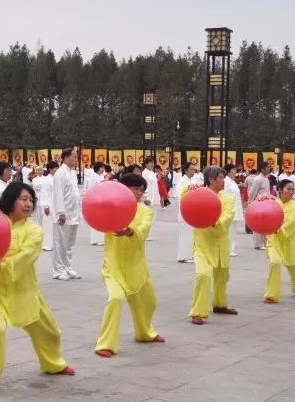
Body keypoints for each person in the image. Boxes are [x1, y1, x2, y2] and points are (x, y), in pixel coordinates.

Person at [0, 181, 73, 391]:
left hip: (25, 290)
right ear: (11, 200)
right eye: (23, 199)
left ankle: (53, 363)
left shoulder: (35, 230)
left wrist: (1, 265)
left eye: (31, 200)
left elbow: (27, 255)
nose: (29, 204)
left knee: (50, 331)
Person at [94, 173, 163, 356]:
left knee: (149, 301)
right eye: (135, 188)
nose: (139, 193)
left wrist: (130, 232)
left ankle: (145, 332)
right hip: (114, 265)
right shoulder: (112, 208)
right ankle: (105, 345)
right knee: (116, 299)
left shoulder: (145, 211)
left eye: (141, 190)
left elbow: (144, 230)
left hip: (136, 266)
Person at [188, 167, 238, 324]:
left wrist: (216, 222)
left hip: (221, 243)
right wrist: (188, 189)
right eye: (221, 178)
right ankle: (198, 312)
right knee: (203, 275)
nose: (224, 181)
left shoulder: (228, 198)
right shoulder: (198, 194)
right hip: (203, 244)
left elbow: (229, 215)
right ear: (211, 179)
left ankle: (220, 304)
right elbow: (185, 201)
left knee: (222, 276)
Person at [263, 179, 295, 303]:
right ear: (280, 190)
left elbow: (290, 223)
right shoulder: (273, 203)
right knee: (275, 263)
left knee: (294, 267)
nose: (291, 192)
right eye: (288, 189)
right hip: (274, 240)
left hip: (290, 241)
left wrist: (276, 229)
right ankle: (271, 295)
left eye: (292, 189)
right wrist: (262, 198)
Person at [51, 149, 82, 280]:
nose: (76, 160)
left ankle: (68, 267)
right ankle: (58, 271)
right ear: (65, 158)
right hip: (63, 214)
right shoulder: (60, 173)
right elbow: (58, 194)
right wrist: (61, 213)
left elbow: (74, 193)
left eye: (76, 157)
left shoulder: (73, 173)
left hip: (73, 213)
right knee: (60, 243)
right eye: (74, 157)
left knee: (69, 243)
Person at [172, 164, 201, 262]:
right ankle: (183, 256)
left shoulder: (193, 180)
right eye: (191, 169)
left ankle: (189, 255)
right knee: (185, 235)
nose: (193, 171)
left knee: (191, 235)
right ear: (186, 170)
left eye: (194, 169)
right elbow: (180, 196)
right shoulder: (182, 181)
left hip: (193, 211)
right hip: (185, 211)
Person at [244, 164, 269, 250]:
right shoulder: (258, 179)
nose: (269, 169)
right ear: (262, 169)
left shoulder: (266, 178)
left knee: (265, 223)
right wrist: (251, 203)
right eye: (267, 167)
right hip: (258, 204)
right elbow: (252, 192)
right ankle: (258, 244)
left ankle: (264, 242)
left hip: (266, 203)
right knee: (258, 223)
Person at [33, 164, 54, 252]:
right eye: (38, 170)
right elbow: (36, 187)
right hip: (38, 201)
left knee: (46, 221)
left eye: (41, 170)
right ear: (36, 172)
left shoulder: (46, 179)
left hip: (45, 201)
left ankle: (45, 240)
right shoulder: (34, 179)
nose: (40, 172)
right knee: (38, 221)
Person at [224, 165, 244, 257]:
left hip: (236, 208)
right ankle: (227, 249)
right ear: (228, 171)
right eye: (233, 169)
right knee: (229, 230)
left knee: (233, 230)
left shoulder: (232, 182)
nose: (235, 171)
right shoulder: (226, 181)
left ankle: (231, 249)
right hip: (230, 209)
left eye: (235, 169)